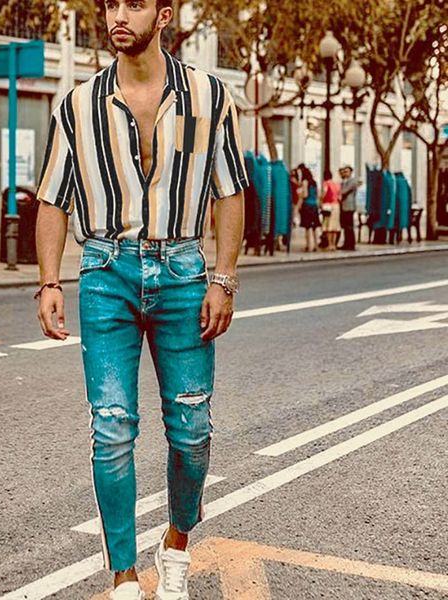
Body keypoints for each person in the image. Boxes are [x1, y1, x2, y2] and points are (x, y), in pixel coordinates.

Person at [34, 1, 248, 598]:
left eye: (134, 3)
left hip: (183, 271)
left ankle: (176, 542)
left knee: (192, 427)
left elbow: (230, 191)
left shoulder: (210, 97)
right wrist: (49, 281)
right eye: (111, 4)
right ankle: (124, 575)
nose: (118, 16)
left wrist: (224, 278)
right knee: (111, 427)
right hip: (106, 271)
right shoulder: (76, 106)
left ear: (164, 14)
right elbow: (52, 198)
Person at [296, 164, 320, 252]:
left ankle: (308, 245)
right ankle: (316, 245)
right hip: (314, 205)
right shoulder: (314, 182)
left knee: (308, 227)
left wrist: (300, 194)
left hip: (307, 205)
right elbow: (317, 195)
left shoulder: (305, 182)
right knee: (314, 227)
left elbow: (305, 194)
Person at [320, 169, 341, 251]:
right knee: (335, 226)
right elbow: (339, 196)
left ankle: (329, 244)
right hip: (336, 206)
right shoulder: (336, 184)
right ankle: (334, 244)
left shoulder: (326, 183)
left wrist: (320, 200)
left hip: (328, 206)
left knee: (328, 226)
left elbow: (324, 193)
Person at [339, 165, 358, 250]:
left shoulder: (352, 182)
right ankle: (346, 243)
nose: (345, 173)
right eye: (344, 172)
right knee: (345, 226)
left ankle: (351, 244)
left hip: (349, 206)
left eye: (346, 171)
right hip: (343, 206)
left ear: (350, 172)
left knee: (349, 226)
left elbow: (344, 191)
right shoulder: (344, 181)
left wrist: (339, 193)